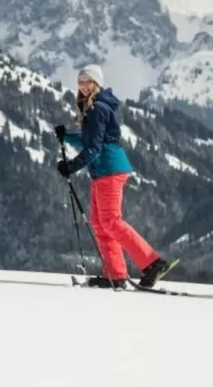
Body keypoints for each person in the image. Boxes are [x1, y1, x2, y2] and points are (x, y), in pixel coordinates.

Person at [55, 64, 177, 289]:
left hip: (109, 168)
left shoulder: (97, 109)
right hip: (102, 170)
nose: (83, 86)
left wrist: (71, 167)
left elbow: (94, 148)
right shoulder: (92, 107)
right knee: (100, 223)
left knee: (110, 221)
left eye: (87, 82)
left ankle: (153, 263)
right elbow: (90, 141)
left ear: (97, 84)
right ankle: (115, 274)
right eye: (80, 82)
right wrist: (67, 138)